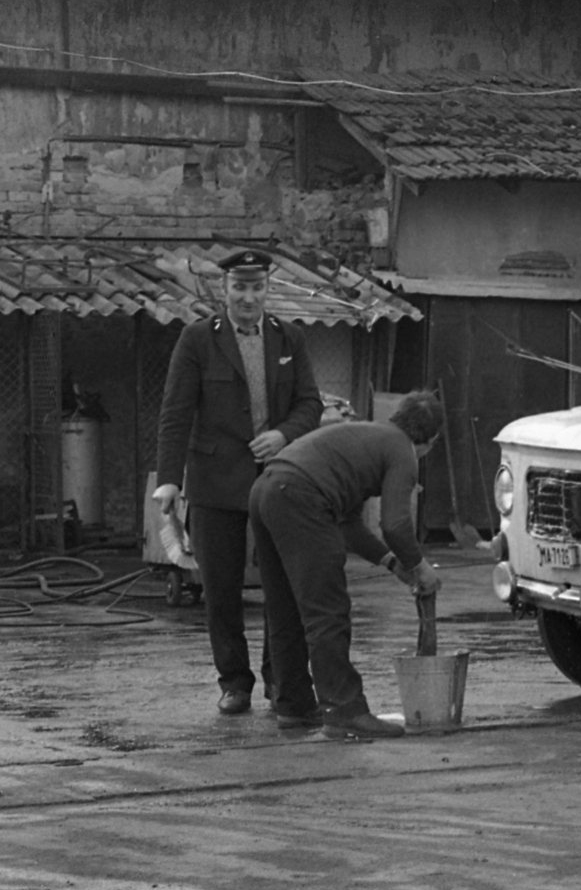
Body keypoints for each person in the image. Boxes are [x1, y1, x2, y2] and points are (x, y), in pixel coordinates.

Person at [154, 248, 323, 716]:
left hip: (278, 478)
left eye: (257, 287)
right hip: (214, 481)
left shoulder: (290, 339)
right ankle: (234, 682)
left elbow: (310, 404)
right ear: (224, 289)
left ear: (267, 289)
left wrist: (283, 434)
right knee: (220, 588)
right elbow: (175, 413)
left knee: (280, 586)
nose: (248, 297)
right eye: (239, 288)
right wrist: (170, 481)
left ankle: (279, 677)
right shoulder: (197, 340)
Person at [248, 390, 445, 739]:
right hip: (301, 496)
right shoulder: (402, 450)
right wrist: (419, 567)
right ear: (429, 441)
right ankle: (344, 710)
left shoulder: (366, 436)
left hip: (266, 489)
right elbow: (396, 525)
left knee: (285, 609)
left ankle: (293, 704)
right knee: (328, 611)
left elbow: (347, 525)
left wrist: (390, 562)